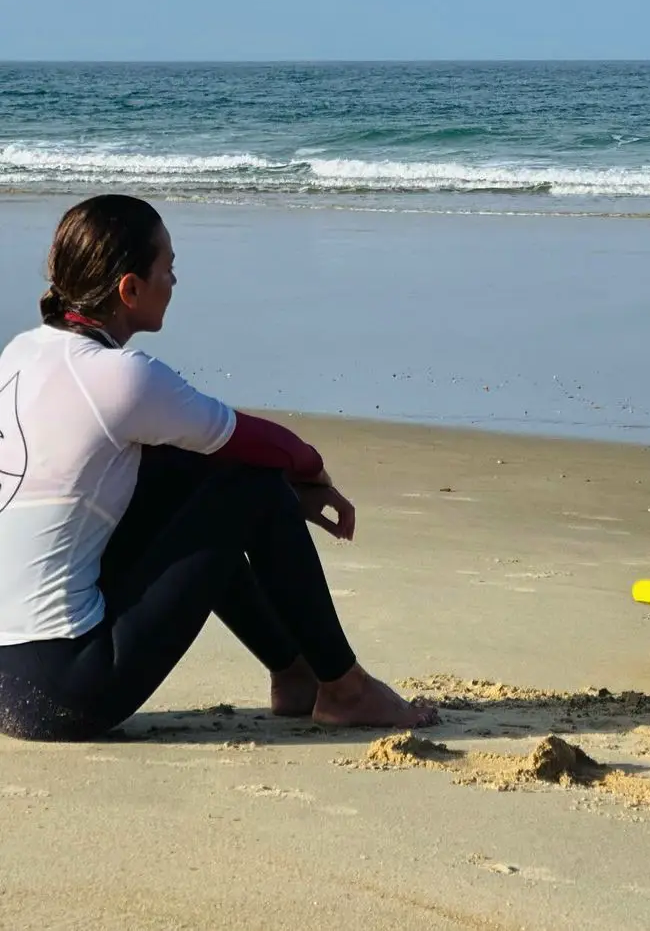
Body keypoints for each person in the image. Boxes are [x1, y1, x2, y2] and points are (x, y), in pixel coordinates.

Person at [0, 194, 436, 742]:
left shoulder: (21, 354)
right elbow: (259, 441)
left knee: (202, 480)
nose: (175, 282)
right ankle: (345, 688)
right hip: (69, 689)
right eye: (168, 268)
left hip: (8, 686)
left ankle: (294, 674)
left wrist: (280, 485)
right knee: (246, 483)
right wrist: (310, 477)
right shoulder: (121, 377)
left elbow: (187, 464)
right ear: (129, 289)